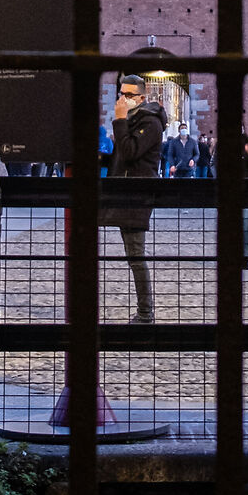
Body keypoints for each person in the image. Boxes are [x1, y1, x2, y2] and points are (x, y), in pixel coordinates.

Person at [105, 75, 164, 322]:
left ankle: (145, 312)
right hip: (125, 194)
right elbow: (121, 156)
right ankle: (145, 311)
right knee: (133, 255)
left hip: (136, 197)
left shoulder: (149, 123)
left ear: (141, 97)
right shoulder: (134, 119)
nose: (123, 99)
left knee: (136, 256)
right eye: (121, 93)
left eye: (128, 95)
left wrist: (118, 121)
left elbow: (130, 152)